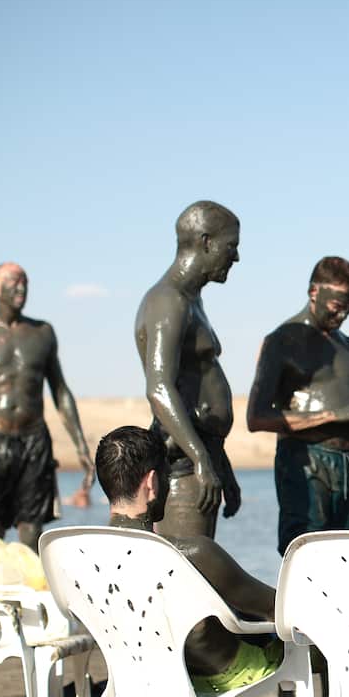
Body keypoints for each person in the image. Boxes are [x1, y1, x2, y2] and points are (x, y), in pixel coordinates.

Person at [94, 426, 292, 697]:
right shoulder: (192, 554)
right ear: (153, 483)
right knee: (303, 635)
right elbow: (276, 608)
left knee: (204, 629)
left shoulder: (84, 552)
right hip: (210, 670)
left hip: (138, 668)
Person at [0, 263, 95, 550]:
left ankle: (31, 590)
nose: (20, 287)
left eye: (24, 281)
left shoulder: (43, 333)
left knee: (32, 531)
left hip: (34, 441)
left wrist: (82, 448)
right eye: (12, 281)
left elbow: (61, 392)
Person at [247, 257, 349, 555]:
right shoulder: (281, 341)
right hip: (305, 462)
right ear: (314, 292)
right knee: (306, 556)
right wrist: (332, 416)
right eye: (338, 305)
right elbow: (257, 417)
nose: (343, 315)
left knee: (346, 558)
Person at [135, 201, 242, 541]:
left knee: (201, 576)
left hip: (200, 457)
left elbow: (195, 388)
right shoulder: (169, 301)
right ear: (206, 242)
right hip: (181, 465)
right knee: (186, 575)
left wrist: (220, 464)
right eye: (231, 247)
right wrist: (200, 458)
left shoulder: (192, 300)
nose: (235, 258)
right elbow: (159, 387)